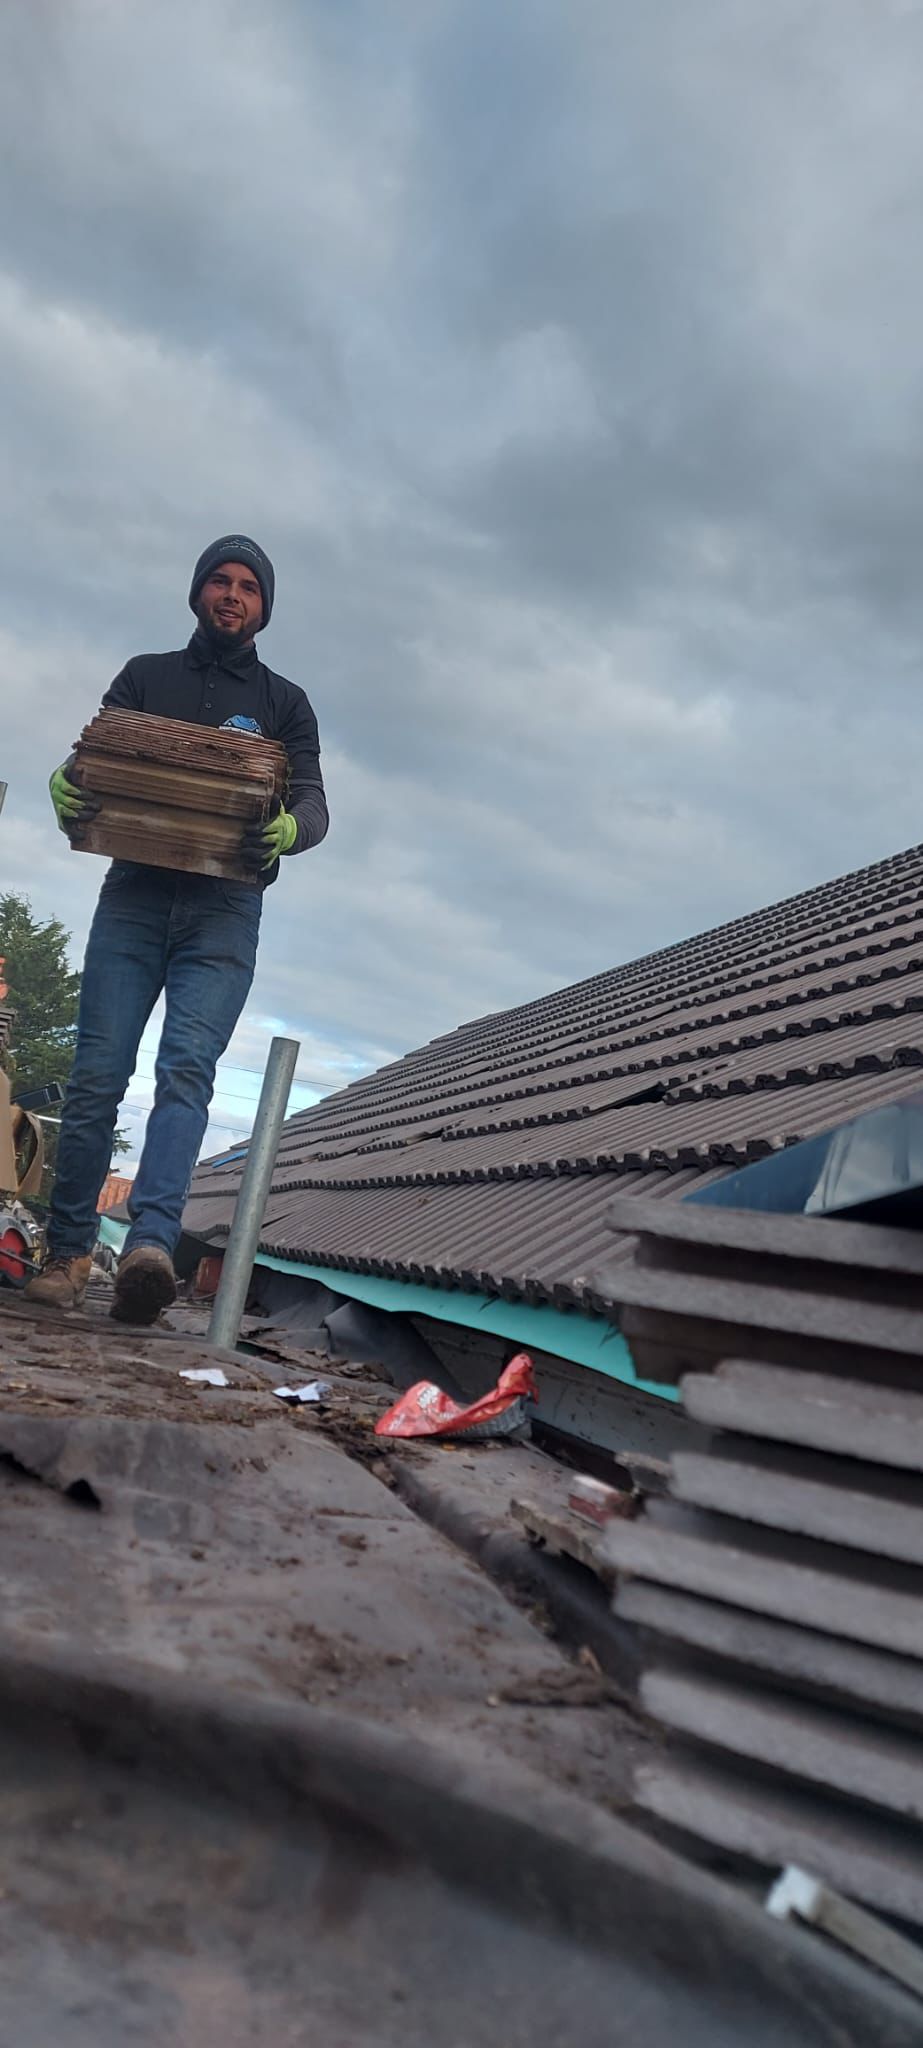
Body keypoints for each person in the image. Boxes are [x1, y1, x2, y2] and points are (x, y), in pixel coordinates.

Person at [26, 535, 328, 1325]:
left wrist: (290, 830)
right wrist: (66, 783)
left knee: (187, 1070)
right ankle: (65, 1254)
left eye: (248, 588)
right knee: (96, 1075)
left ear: (264, 607)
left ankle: (150, 1250)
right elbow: (92, 762)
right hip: (133, 895)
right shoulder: (144, 676)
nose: (232, 595)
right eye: (219, 582)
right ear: (198, 593)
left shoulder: (284, 704)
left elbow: (316, 805)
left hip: (223, 910)